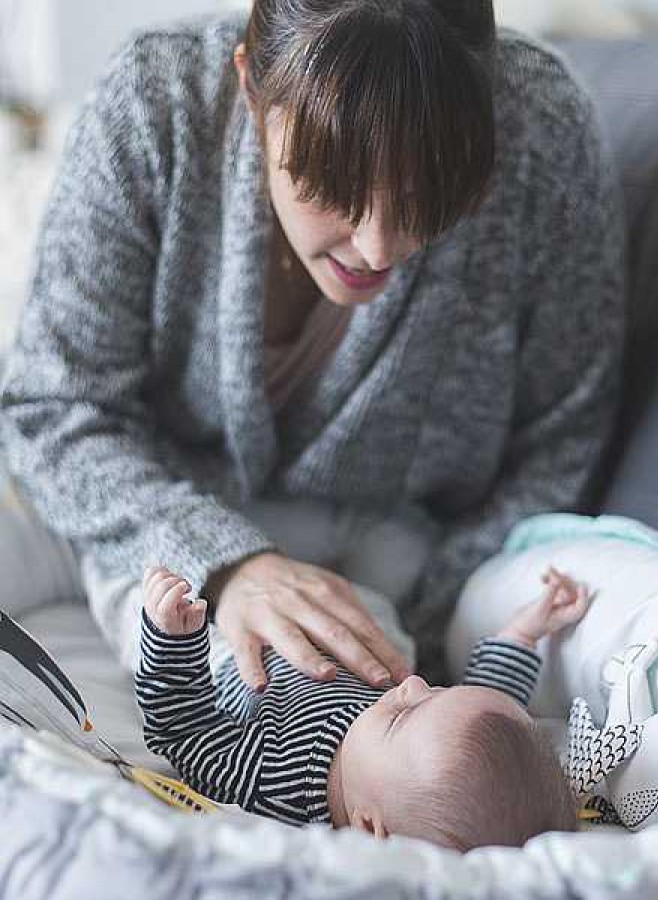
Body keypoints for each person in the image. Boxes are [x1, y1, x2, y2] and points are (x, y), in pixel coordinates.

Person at [0, 1, 625, 689]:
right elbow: (51, 407)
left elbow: (561, 439)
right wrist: (225, 561)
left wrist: (427, 635)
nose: (378, 246)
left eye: (430, 193)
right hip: (157, 499)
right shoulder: (158, 104)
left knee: (291, 690)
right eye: (333, 184)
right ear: (250, 88)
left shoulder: (544, 127)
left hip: (392, 547)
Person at [137, 562, 591, 850]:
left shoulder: (269, 784)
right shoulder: (408, 755)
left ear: (371, 831)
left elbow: (181, 729)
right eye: (436, 691)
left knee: (145, 589)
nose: (414, 685)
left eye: (403, 715)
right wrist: (522, 635)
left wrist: (173, 641)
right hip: (353, 636)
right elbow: (485, 705)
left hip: (230, 649)